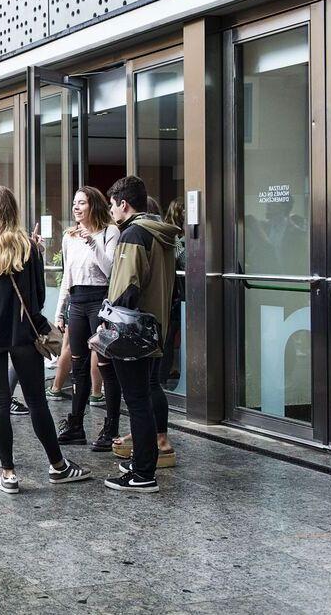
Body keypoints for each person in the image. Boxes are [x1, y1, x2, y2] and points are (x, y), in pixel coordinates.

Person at [0, 188, 90, 494]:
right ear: (13, 210)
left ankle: (8, 474)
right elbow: (37, 297)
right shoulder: (29, 249)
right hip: (24, 333)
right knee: (35, 400)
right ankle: (58, 465)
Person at [101, 175, 180, 493]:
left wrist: (109, 323)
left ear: (124, 203)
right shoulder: (160, 235)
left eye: (112, 204)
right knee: (143, 396)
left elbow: (125, 285)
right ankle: (142, 461)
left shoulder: (133, 234)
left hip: (132, 329)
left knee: (136, 400)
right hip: (154, 325)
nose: (110, 210)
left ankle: (143, 472)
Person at [52, 187, 120, 449]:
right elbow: (67, 276)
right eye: (74, 203)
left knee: (106, 365)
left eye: (82, 203)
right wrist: (60, 310)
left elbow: (110, 270)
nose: (76, 207)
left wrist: (92, 242)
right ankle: (75, 424)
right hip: (78, 302)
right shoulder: (69, 237)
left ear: (94, 205)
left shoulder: (109, 232)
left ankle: (110, 428)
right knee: (78, 366)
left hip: (101, 301)